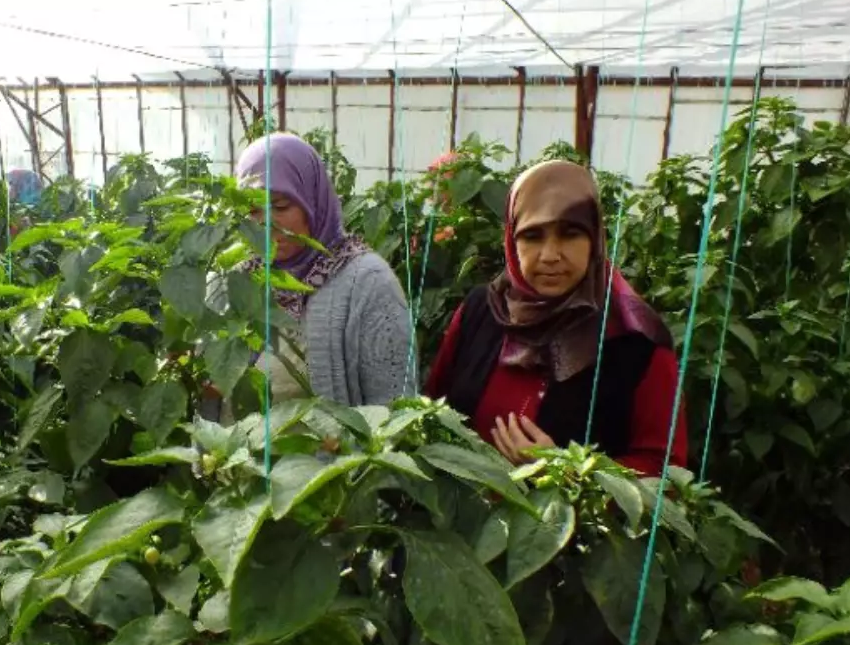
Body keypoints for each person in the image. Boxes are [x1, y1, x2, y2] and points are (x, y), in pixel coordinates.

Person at [424, 159, 687, 476]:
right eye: (532, 236)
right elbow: (432, 410)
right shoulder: (482, 311)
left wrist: (564, 472)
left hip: (573, 525)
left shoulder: (636, 339)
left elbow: (666, 471)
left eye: (570, 233)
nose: (550, 255)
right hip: (462, 518)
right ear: (511, 240)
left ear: (594, 237)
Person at [223, 133, 414, 407]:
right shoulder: (238, 277)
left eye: (280, 206)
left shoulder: (368, 283)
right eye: (253, 210)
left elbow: (395, 405)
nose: (266, 224)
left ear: (312, 199)